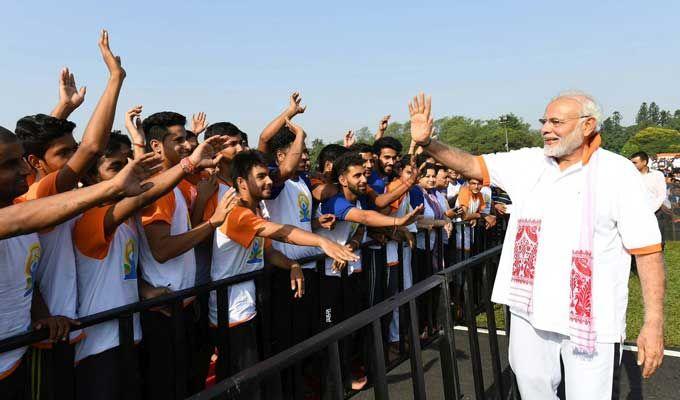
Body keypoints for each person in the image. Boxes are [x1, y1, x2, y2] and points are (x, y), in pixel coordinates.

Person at [408, 91, 665, 399]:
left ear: (588, 125)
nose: (546, 128)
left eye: (556, 121)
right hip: (529, 308)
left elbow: (647, 250)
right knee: (532, 389)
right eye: (544, 121)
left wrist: (653, 322)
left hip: (591, 316)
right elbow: (472, 165)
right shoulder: (529, 162)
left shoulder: (618, 172)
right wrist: (428, 143)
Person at [0, 126, 165, 400]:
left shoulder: (19, 205)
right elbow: (20, 219)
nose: (24, 169)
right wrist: (110, 187)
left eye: (21, 159)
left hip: (20, 355)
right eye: (8, 164)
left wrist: (42, 314)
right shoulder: (24, 213)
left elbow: (25, 277)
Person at [72, 133, 229, 400]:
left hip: (130, 332)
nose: (125, 176)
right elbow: (146, 199)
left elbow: (123, 270)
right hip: (99, 346)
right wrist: (188, 167)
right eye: (115, 168)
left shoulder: (129, 220)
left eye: (127, 166)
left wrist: (144, 290)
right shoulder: (92, 219)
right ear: (90, 179)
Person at [15, 30, 126, 399]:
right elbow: (93, 147)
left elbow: (38, 151)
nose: (76, 160)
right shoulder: (39, 194)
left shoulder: (44, 187)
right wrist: (115, 78)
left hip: (63, 327)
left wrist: (62, 110)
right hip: (42, 338)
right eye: (66, 154)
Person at [204, 150, 358, 399]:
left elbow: (269, 252)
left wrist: (292, 265)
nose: (269, 181)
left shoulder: (255, 210)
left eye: (269, 175)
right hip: (231, 313)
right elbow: (280, 232)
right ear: (241, 182)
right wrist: (321, 242)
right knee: (241, 383)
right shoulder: (237, 214)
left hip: (249, 305)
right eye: (261, 176)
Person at [137, 111, 230, 399]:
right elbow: (162, 249)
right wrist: (212, 222)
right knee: (170, 386)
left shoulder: (174, 185)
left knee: (189, 380)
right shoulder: (157, 188)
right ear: (155, 146)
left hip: (183, 302)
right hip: (164, 310)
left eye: (186, 138)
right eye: (178, 141)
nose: (187, 146)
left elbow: (181, 232)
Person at [316, 152, 422, 395]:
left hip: (350, 272)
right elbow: (364, 218)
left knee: (349, 329)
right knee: (331, 331)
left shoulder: (360, 199)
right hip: (328, 277)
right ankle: (330, 386)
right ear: (343, 180)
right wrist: (399, 221)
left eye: (364, 174)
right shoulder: (335, 201)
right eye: (357, 176)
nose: (364, 179)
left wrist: (351, 246)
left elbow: (360, 228)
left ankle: (343, 379)